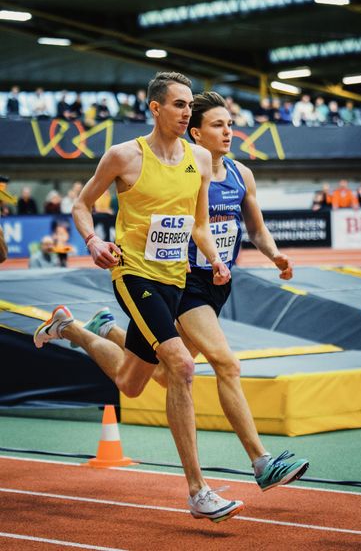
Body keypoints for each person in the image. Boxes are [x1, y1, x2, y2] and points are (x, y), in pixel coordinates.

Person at [36, 88, 309, 504]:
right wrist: (94, 241)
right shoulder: (128, 156)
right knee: (207, 365)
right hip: (157, 279)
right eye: (217, 123)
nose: (228, 131)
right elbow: (85, 204)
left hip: (191, 281)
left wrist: (247, 256)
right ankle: (248, 467)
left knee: (139, 381)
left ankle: (80, 328)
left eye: (230, 123)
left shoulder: (221, 170)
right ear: (166, 114)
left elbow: (206, 226)